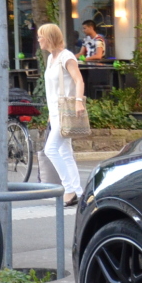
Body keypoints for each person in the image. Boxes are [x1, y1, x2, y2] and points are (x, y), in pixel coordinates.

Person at [39, 23, 85, 206]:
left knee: (51, 149)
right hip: (56, 111)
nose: (38, 40)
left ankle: (69, 189)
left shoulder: (66, 56)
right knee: (65, 151)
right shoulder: (51, 58)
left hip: (65, 110)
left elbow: (78, 79)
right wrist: (50, 113)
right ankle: (78, 191)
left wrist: (79, 101)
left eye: (41, 36)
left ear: (49, 37)